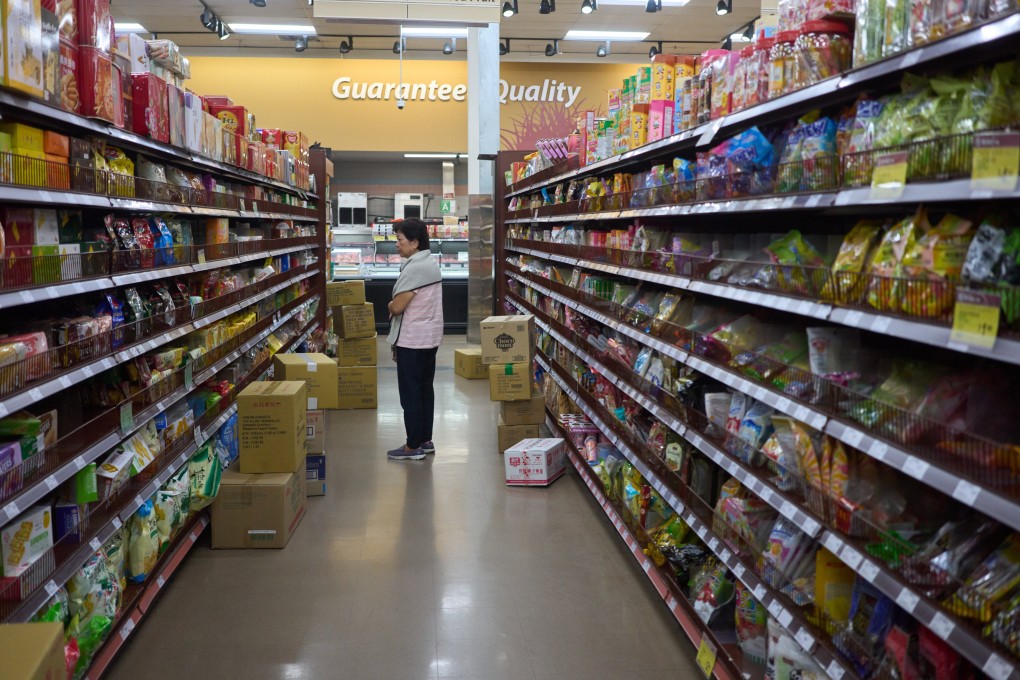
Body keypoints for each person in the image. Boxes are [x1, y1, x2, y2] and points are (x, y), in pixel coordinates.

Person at [386, 218, 444, 461]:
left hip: (413, 339)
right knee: (424, 390)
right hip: (429, 338)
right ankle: (425, 439)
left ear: (415, 242)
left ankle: (412, 446)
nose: (396, 245)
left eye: (400, 240)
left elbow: (398, 307)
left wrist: (389, 304)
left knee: (410, 393)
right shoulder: (429, 262)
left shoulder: (415, 268)